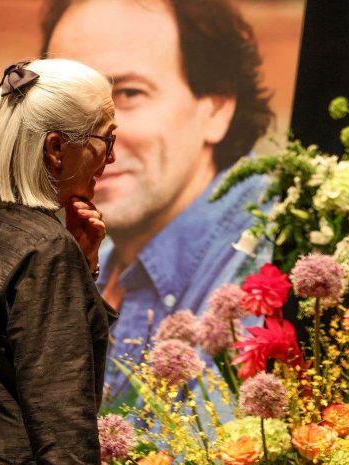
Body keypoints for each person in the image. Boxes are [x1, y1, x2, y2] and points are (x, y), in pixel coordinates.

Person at [41, 0, 274, 402]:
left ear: (218, 105)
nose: (87, 139)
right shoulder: (84, 260)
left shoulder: (272, 255)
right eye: (66, 103)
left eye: (129, 94)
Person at [0, 58, 118, 465]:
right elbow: (60, 410)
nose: (111, 158)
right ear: (57, 148)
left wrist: (82, 264)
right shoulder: (47, 248)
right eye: (107, 139)